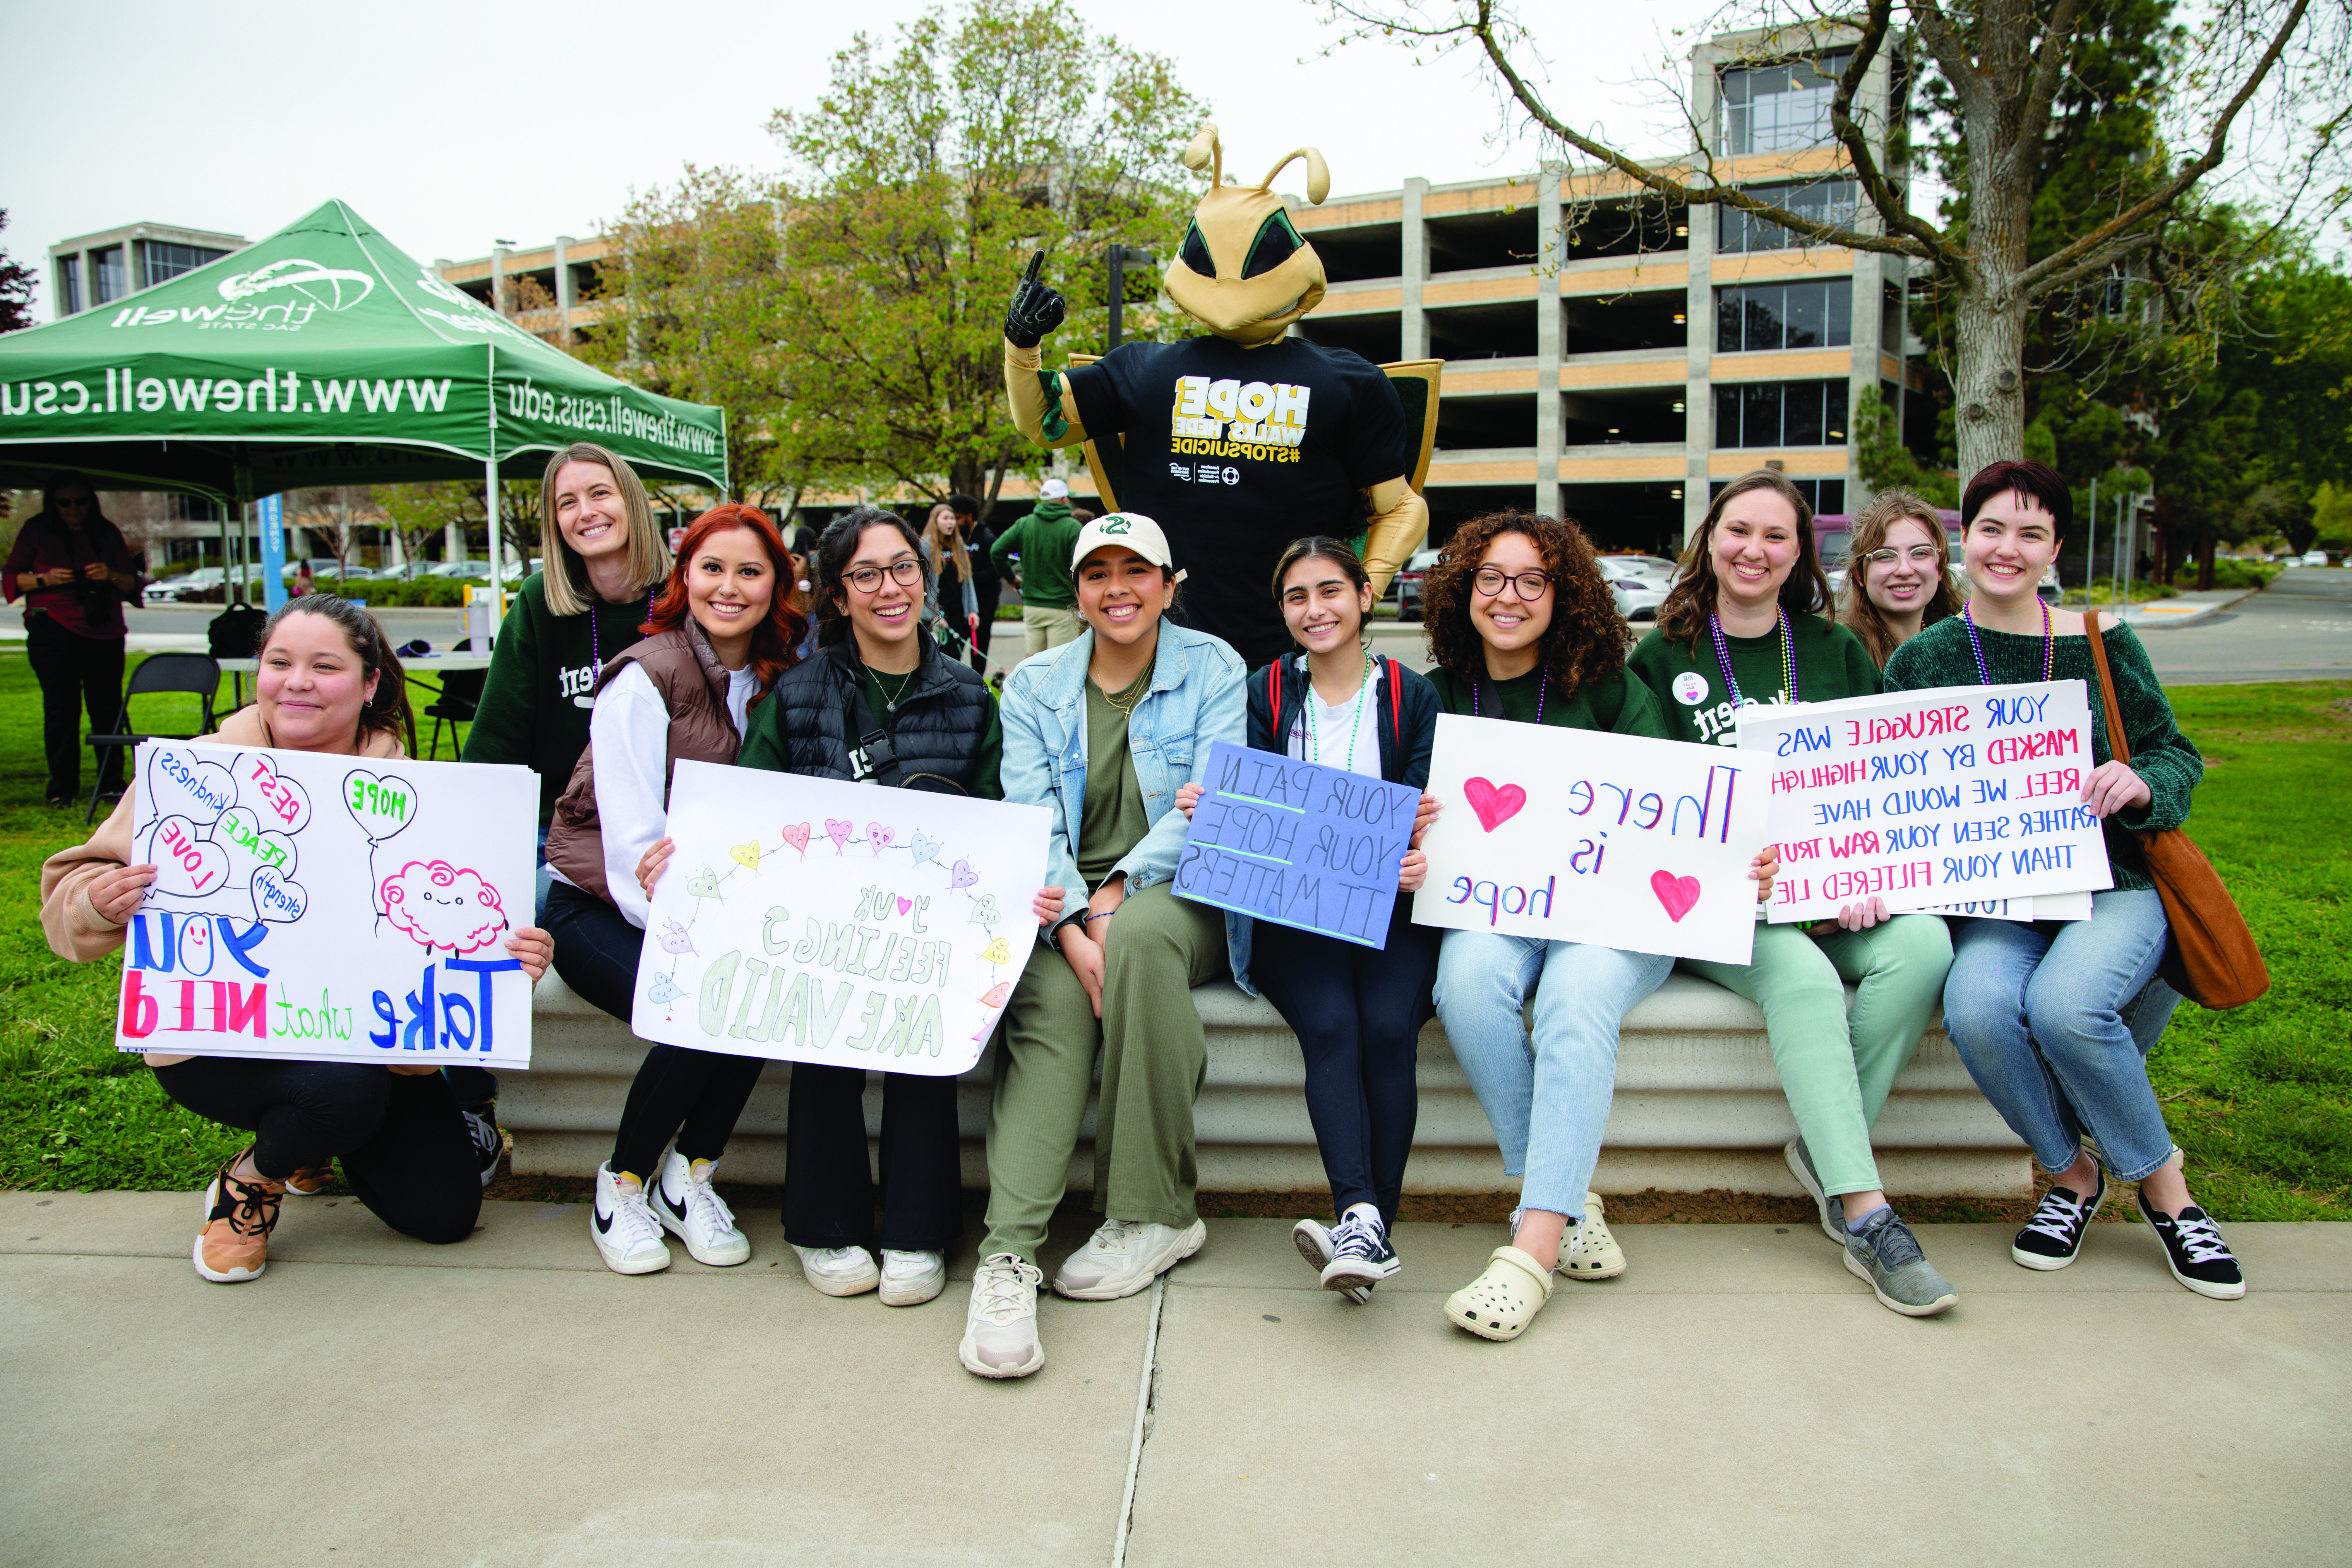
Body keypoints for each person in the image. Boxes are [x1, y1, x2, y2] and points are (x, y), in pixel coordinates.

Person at [38, 596, 553, 1283]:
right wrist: (98, 902)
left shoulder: (424, 794)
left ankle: (311, 1140)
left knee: (445, 1214)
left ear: (370, 684)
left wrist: (510, 954)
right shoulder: (195, 772)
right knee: (346, 1093)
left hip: (377, 1044)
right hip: (220, 1043)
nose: (297, 681)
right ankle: (253, 1179)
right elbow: (70, 888)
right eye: (279, 662)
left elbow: (458, 927)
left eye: (325, 665)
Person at [1884, 459, 2242, 1299]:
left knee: (2063, 1006)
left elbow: (2172, 753)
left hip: (2112, 882)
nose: (2006, 548)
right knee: (1976, 1007)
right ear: (1961, 539)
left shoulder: (2099, 642)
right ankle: (2070, 1175)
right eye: (1990, 529)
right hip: (1999, 901)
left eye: (2030, 533)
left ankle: (2166, 1192)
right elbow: (1888, 797)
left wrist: (2141, 781)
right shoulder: (1922, 662)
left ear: (2054, 550)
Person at [1418, 509, 1774, 1341]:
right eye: (1491, 578)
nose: (1509, 597)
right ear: (1463, 588)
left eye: (1532, 580)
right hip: (1497, 915)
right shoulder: (1433, 698)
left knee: (1577, 996)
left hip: (1616, 920)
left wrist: (1740, 855)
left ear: (1563, 593)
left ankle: (1530, 1252)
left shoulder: (1610, 686)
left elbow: (1683, 814)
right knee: (1463, 984)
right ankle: (1569, 1196)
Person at [1628, 470, 1960, 1317]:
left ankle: (1820, 1151)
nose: (1754, 550)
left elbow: (1871, 783)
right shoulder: (1662, 653)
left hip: (1825, 893)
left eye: (1776, 537)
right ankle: (1865, 1212)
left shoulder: (1832, 649)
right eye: (1739, 530)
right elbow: (1646, 802)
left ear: (1798, 555)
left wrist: (1859, 874)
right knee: (1809, 982)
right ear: (1709, 539)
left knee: (1921, 944)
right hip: (1724, 908)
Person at [960, 511, 1246, 1379]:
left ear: (1168, 584)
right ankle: (1006, 1260)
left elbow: (1213, 804)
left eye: (1136, 571)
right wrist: (1070, 921)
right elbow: (1030, 814)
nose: (1116, 588)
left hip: (1177, 886)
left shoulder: (1214, 668)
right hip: (1060, 896)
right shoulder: (1036, 684)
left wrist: (1117, 898)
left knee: (1144, 943)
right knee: (1049, 1016)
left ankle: (1153, 1212)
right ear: (1074, 591)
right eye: (1097, 574)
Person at [1001, 124, 1430, 668]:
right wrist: (1022, 343)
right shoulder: (1144, 369)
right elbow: (1044, 419)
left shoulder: (1348, 382)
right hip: (1166, 664)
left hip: (1294, 667)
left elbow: (1401, 510)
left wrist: (1347, 597)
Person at [738, 506, 1018, 1307]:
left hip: (929, 931)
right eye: (865, 574)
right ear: (836, 596)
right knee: (823, 1042)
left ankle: (917, 1231)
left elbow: (996, 817)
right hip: (822, 926)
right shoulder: (797, 697)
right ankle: (824, 1226)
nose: (888, 588)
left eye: (902, 568)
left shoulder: (968, 695)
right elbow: (750, 813)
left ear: (924, 580)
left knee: (921, 1047)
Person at [541, 504, 808, 1277]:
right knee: (704, 1000)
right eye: (712, 568)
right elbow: (631, 850)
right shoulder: (643, 677)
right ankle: (619, 1182)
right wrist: (695, 942)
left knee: (756, 997)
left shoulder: (776, 678)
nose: (730, 587)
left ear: (775, 585)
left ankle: (687, 1174)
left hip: (707, 906)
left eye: (750, 571)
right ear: (684, 576)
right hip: (597, 906)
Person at [1174, 536, 1442, 1302]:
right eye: (1296, 597)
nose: (1314, 609)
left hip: (1391, 910)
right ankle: (1360, 1214)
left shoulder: (1411, 695)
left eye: (1329, 591)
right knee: (1331, 1027)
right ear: (1283, 612)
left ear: (1364, 596)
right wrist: (1216, 808)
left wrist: (1419, 850)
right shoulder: (1265, 693)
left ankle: (1364, 1230)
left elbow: (1426, 808)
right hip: (1296, 913)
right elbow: (1254, 805)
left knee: (1390, 1029)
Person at [458, 447, 671, 1174]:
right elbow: (495, 749)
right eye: (567, 503)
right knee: (481, 918)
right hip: (559, 838)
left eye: (600, 493)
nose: (587, 513)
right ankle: (467, 1107)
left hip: (661, 836)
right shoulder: (538, 609)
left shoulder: (680, 599)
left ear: (632, 501)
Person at [4, 473, 142, 808]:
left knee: (106, 707)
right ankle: (62, 787)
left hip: (103, 631)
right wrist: (44, 579)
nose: (73, 509)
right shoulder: (37, 530)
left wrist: (108, 573)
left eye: (80, 502)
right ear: (52, 503)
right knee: (61, 709)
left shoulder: (106, 531)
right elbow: (10, 580)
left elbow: (132, 585)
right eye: (64, 503)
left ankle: (111, 782)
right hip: (52, 628)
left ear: (91, 502)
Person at [1840, 489, 1962, 668]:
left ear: (1940, 568)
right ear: (1860, 574)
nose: (1905, 570)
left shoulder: (1962, 647)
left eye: (1920, 553)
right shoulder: (1843, 653)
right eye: (1885, 556)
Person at [988, 479, 1087, 656]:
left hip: (1032, 606)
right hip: (1062, 607)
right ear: (1065, 500)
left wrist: (1012, 579)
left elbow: (997, 551)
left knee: (1033, 663)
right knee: (1061, 662)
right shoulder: (1073, 527)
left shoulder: (1025, 524)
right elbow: (1081, 566)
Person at [921, 501, 985, 674]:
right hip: (937, 613)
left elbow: (967, 581)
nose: (951, 522)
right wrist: (932, 614)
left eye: (952, 519)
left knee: (955, 657)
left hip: (958, 611)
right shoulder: (926, 547)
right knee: (937, 658)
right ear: (936, 521)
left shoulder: (958, 544)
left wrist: (973, 611)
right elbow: (923, 585)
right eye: (946, 518)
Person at [950, 494, 1003, 674]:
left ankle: (977, 682)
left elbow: (996, 571)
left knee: (978, 647)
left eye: (957, 517)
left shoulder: (987, 538)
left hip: (983, 602)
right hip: (958, 604)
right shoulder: (951, 539)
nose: (953, 522)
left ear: (970, 516)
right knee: (953, 648)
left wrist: (967, 578)